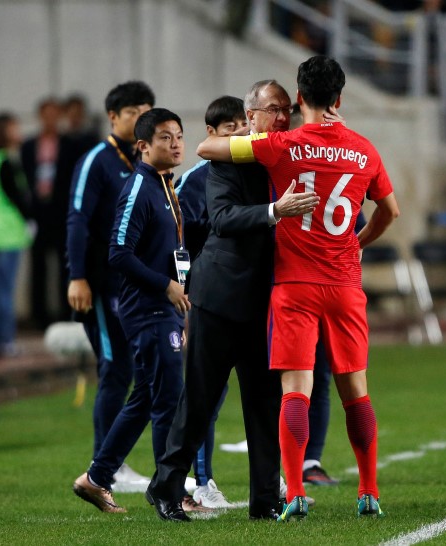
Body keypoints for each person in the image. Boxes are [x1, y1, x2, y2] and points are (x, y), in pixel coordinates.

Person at [196, 56, 400, 521]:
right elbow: (390, 212)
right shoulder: (364, 149)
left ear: (300, 98)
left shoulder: (280, 144)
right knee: (356, 392)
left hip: (295, 286)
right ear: (340, 100)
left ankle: (293, 493)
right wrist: (357, 242)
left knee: (296, 391)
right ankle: (368, 491)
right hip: (345, 284)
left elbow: (208, 149)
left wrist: (251, 134)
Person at [147, 81, 320, 523]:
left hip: (266, 302)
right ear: (252, 115)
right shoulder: (233, 152)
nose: (282, 117)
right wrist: (274, 211)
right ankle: (166, 486)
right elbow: (222, 218)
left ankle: (265, 500)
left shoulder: (288, 153)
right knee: (200, 401)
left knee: (264, 404)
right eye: (273, 109)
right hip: (220, 298)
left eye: (288, 110)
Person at [72, 108, 189, 514]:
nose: (175, 144)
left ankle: (97, 476)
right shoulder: (140, 186)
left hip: (164, 310)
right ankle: (167, 491)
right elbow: (118, 253)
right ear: (143, 146)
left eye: (178, 136)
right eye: (164, 138)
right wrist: (166, 286)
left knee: (145, 397)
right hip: (148, 310)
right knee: (168, 400)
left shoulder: (163, 184)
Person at [66, 81, 155, 493]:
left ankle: (112, 464)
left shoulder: (144, 159)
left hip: (135, 284)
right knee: (115, 367)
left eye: (147, 110)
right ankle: (106, 466)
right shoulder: (96, 161)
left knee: (137, 369)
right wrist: (77, 276)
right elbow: (79, 220)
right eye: (134, 111)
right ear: (113, 116)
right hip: (102, 284)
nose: (142, 117)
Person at [173, 95, 249, 510]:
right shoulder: (195, 182)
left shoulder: (257, 168)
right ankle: (199, 481)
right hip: (207, 298)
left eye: (242, 125)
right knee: (207, 395)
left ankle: (272, 476)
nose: (238, 133)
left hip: (248, 297)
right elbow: (181, 244)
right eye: (229, 128)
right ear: (212, 134)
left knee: (267, 391)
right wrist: (184, 300)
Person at [21, 97, 77, 329]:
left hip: (62, 210)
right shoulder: (28, 145)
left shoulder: (70, 144)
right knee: (38, 265)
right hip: (37, 212)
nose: (51, 119)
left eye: (55, 114)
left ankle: (66, 313)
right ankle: (39, 316)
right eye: (47, 114)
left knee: (65, 265)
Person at [0, 112, 32, 358]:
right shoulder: (6, 162)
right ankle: (5, 340)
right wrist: (30, 219)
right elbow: (16, 196)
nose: (18, 131)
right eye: (13, 127)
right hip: (7, 234)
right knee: (3, 291)